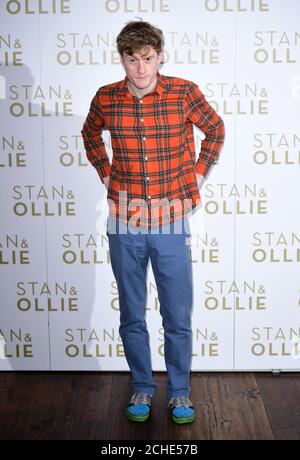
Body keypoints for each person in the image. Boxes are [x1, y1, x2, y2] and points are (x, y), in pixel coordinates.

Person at [81, 19, 225, 425]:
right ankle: (142, 386)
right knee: (132, 312)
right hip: (124, 220)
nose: (141, 68)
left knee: (177, 314)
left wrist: (197, 174)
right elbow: (90, 134)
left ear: (160, 56)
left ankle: (180, 393)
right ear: (122, 60)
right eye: (132, 59)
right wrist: (104, 171)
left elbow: (214, 128)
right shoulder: (107, 98)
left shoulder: (183, 92)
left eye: (147, 58)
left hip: (170, 220)